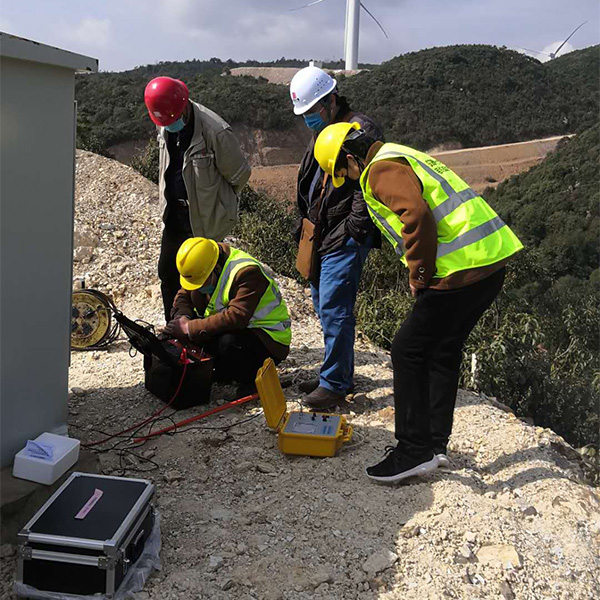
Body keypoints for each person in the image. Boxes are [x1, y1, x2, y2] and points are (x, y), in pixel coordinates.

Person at [314, 122, 523, 483]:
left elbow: (417, 215)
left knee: (406, 349)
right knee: (443, 350)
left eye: (343, 173)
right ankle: (435, 445)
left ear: (351, 159)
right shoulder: (400, 153)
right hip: (488, 263)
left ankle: (413, 449)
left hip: (459, 270)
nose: (346, 180)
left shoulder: (379, 169)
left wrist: (419, 274)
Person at [289, 66, 384, 410]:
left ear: (331, 100)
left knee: (334, 306)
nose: (309, 121)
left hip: (344, 234)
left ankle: (335, 385)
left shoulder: (359, 130)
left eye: (313, 112)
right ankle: (335, 370)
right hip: (321, 232)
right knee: (322, 301)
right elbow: (314, 181)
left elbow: (367, 182)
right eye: (305, 115)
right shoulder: (326, 129)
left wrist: (355, 231)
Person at [144, 76, 251, 322]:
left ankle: (202, 335)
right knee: (169, 274)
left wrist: (218, 204)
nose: (167, 125)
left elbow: (240, 174)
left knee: (203, 280)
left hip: (204, 219)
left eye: (171, 120)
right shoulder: (164, 121)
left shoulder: (215, 130)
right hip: (174, 215)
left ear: (183, 106)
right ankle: (175, 331)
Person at [163, 237, 291, 390]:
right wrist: (182, 319)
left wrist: (189, 328)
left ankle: (249, 379)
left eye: (202, 283)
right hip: (238, 329)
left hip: (267, 339)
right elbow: (184, 295)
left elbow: (237, 317)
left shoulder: (247, 272)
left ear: (216, 268)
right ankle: (222, 372)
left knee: (228, 344)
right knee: (195, 337)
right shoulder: (201, 266)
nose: (199, 288)